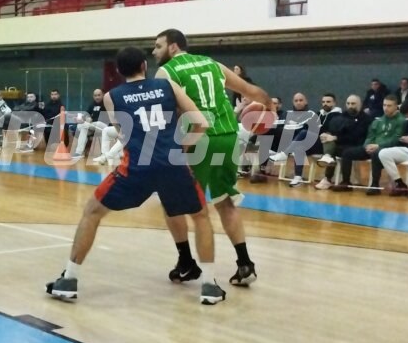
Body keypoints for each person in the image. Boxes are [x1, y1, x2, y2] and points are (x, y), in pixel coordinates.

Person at [45, 46, 224, 305]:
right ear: (144, 65)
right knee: (200, 216)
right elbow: (202, 122)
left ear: (119, 71)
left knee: (92, 212)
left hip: (137, 168)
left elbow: (124, 134)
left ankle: (69, 280)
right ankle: (209, 286)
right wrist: (182, 146)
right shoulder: (168, 85)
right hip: (173, 165)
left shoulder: (112, 97)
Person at [153, 29, 272, 287]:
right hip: (227, 136)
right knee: (225, 201)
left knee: (174, 202)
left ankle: (187, 262)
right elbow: (251, 90)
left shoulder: (166, 72)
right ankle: (245, 264)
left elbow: (164, 116)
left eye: (158, 46)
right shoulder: (213, 64)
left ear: (173, 47)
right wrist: (269, 107)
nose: (154, 51)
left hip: (198, 138)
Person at [332, 95, 406, 194]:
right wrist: (367, 146)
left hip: (387, 150)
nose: (386, 108)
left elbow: (396, 139)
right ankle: (346, 182)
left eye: (389, 106)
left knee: (376, 153)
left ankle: (374, 185)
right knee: (347, 153)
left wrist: (378, 146)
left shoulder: (401, 121)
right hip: (371, 147)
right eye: (384, 105)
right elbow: (370, 135)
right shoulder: (378, 120)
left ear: (396, 106)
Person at [316, 95, 369, 190]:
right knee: (329, 142)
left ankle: (345, 181)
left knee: (344, 152)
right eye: (348, 103)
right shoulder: (342, 116)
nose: (350, 106)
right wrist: (327, 135)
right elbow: (335, 130)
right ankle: (327, 178)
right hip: (342, 143)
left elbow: (356, 136)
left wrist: (335, 137)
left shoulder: (365, 119)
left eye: (353, 104)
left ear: (360, 105)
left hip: (358, 145)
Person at [269, 92, 321, 188]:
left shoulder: (312, 114)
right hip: (297, 144)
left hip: (313, 144)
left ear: (306, 102)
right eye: (296, 101)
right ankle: (298, 177)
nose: (298, 102)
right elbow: (280, 128)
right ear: (293, 102)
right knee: (298, 147)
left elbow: (314, 131)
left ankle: (284, 153)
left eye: (301, 100)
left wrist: (293, 127)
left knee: (303, 132)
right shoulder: (287, 114)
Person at [73, 88, 108, 159]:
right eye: (95, 95)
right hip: (93, 126)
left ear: (103, 95)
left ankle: (82, 124)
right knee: (83, 129)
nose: (97, 97)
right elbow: (86, 114)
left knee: (86, 125)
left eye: (99, 95)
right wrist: (87, 118)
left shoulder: (106, 103)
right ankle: (78, 152)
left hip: (104, 126)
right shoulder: (92, 104)